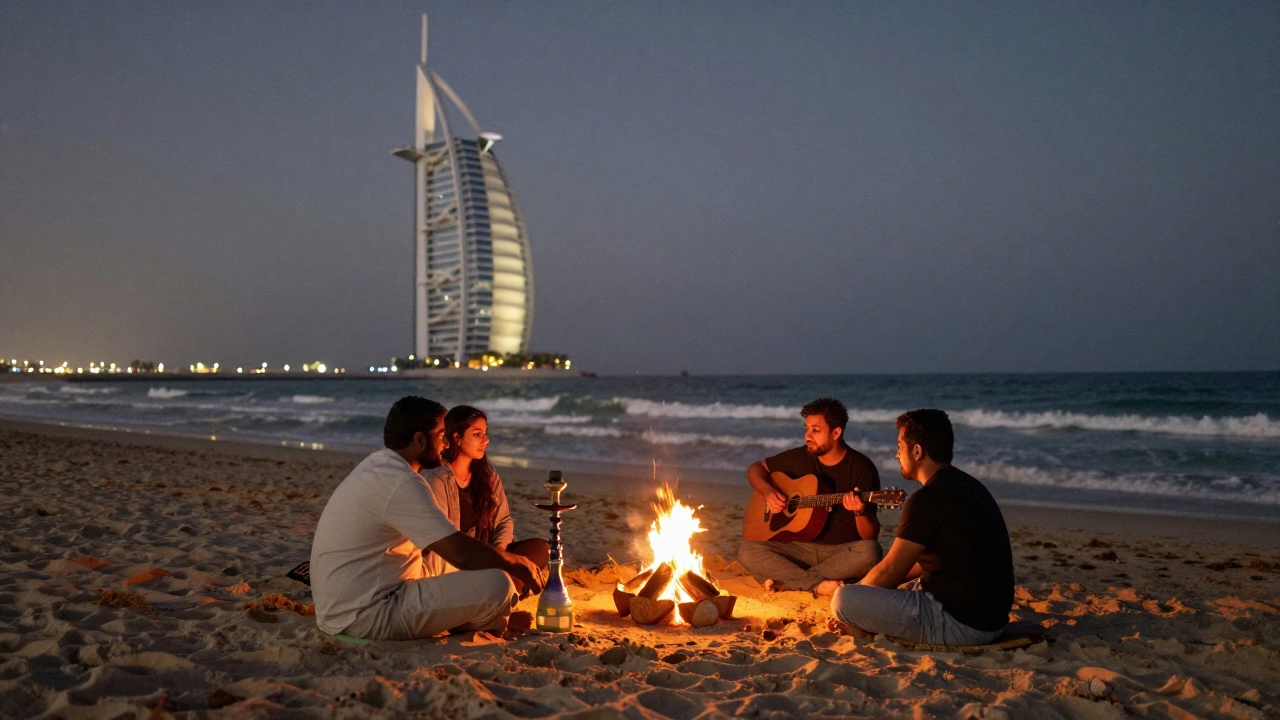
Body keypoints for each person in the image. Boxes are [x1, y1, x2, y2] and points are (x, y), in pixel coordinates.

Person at [309, 396, 543, 640]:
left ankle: (482, 615)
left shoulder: (378, 465)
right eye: (441, 435)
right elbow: (461, 553)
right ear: (420, 440)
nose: (445, 444)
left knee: (446, 565)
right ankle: (487, 618)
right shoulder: (403, 482)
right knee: (498, 584)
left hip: (351, 603)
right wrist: (513, 562)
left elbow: (453, 550)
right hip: (366, 614)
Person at [830, 409, 1014, 645]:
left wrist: (860, 598)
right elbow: (921, 563)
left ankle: (859, 624)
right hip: (991, 620)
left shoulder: (927, 498)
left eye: (900, 446)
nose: (897, 454)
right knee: (898, 587)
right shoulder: (968, 485)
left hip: (960, 624)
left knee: (843, 599)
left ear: (917, 451)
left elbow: (890, 571)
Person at [738, 398, 884, 596]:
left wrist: (859, 511)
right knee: (747, 551)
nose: (807, 436)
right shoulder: (800, 458)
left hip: (840, 553)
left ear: (836, 433)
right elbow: (756, 469)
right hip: (798, 549)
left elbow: (869, 536)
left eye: (815, 430)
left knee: (871, 552)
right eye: (806, 428)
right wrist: (769, 492)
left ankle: (791, 582)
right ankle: (818, 585)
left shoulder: (861, 469)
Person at [423, 405, 549, 575]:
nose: (486, 440)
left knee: (540, 549)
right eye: (477, 434)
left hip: (491, 558)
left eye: (485, 432)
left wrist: (500, 552)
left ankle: (503, 585)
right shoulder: (437, 478)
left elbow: (503, 520)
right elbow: (445, 540)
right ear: (457, 438)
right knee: (507, 574)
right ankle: (502, 587)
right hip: (458, 563)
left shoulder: (487, 475)